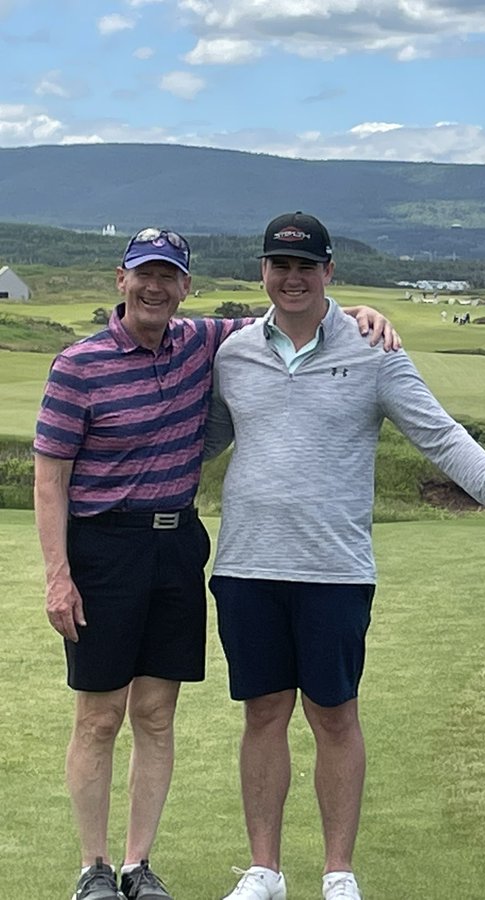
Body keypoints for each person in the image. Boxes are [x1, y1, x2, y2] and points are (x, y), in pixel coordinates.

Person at [34, 227, 398, 900]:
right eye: (143, 274)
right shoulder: (78, 364)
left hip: (177, 546)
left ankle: (138, 866)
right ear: (121, 279)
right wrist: (58, 574)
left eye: (167, 276)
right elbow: (49, 479)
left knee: (156, 714)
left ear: (185, 287)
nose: (154, 287)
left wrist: (358, 314)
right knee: (99, 716)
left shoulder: (204, 341)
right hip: (103, 549)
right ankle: (93, 869)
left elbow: (291, 309)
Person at [204, 211, 485, 900]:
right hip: (246, 566)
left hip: (334, 569)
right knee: (263, 714)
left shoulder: (374, 349)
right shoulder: (233, 354)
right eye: (281, 265)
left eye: (307, 266)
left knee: (335, 716)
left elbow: (439, 434)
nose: (293, 278)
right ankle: (265, 870)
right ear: (263, 271)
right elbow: (200, 441)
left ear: (329, 271)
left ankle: (338, 871)